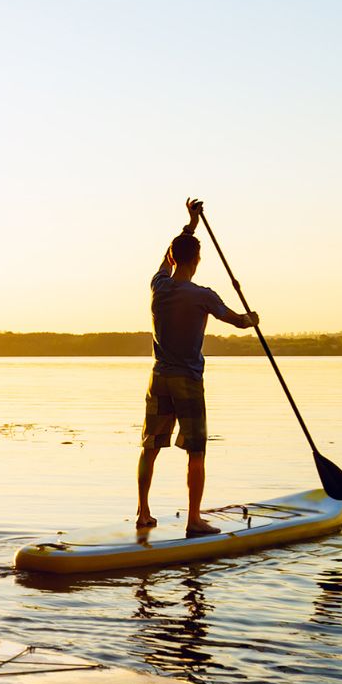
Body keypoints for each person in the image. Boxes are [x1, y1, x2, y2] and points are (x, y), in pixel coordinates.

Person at [137, 198, 258, 535]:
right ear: (198, 260)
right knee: (197, 450)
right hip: (187, 381)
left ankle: (143, 513)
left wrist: (190, 224)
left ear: (174, 257)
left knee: (150, 446)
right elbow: (237, 321)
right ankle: (193, 520)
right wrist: (253, 318)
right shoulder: (203, 295)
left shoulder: (158, 286)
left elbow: (166, 257)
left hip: (158, 378)